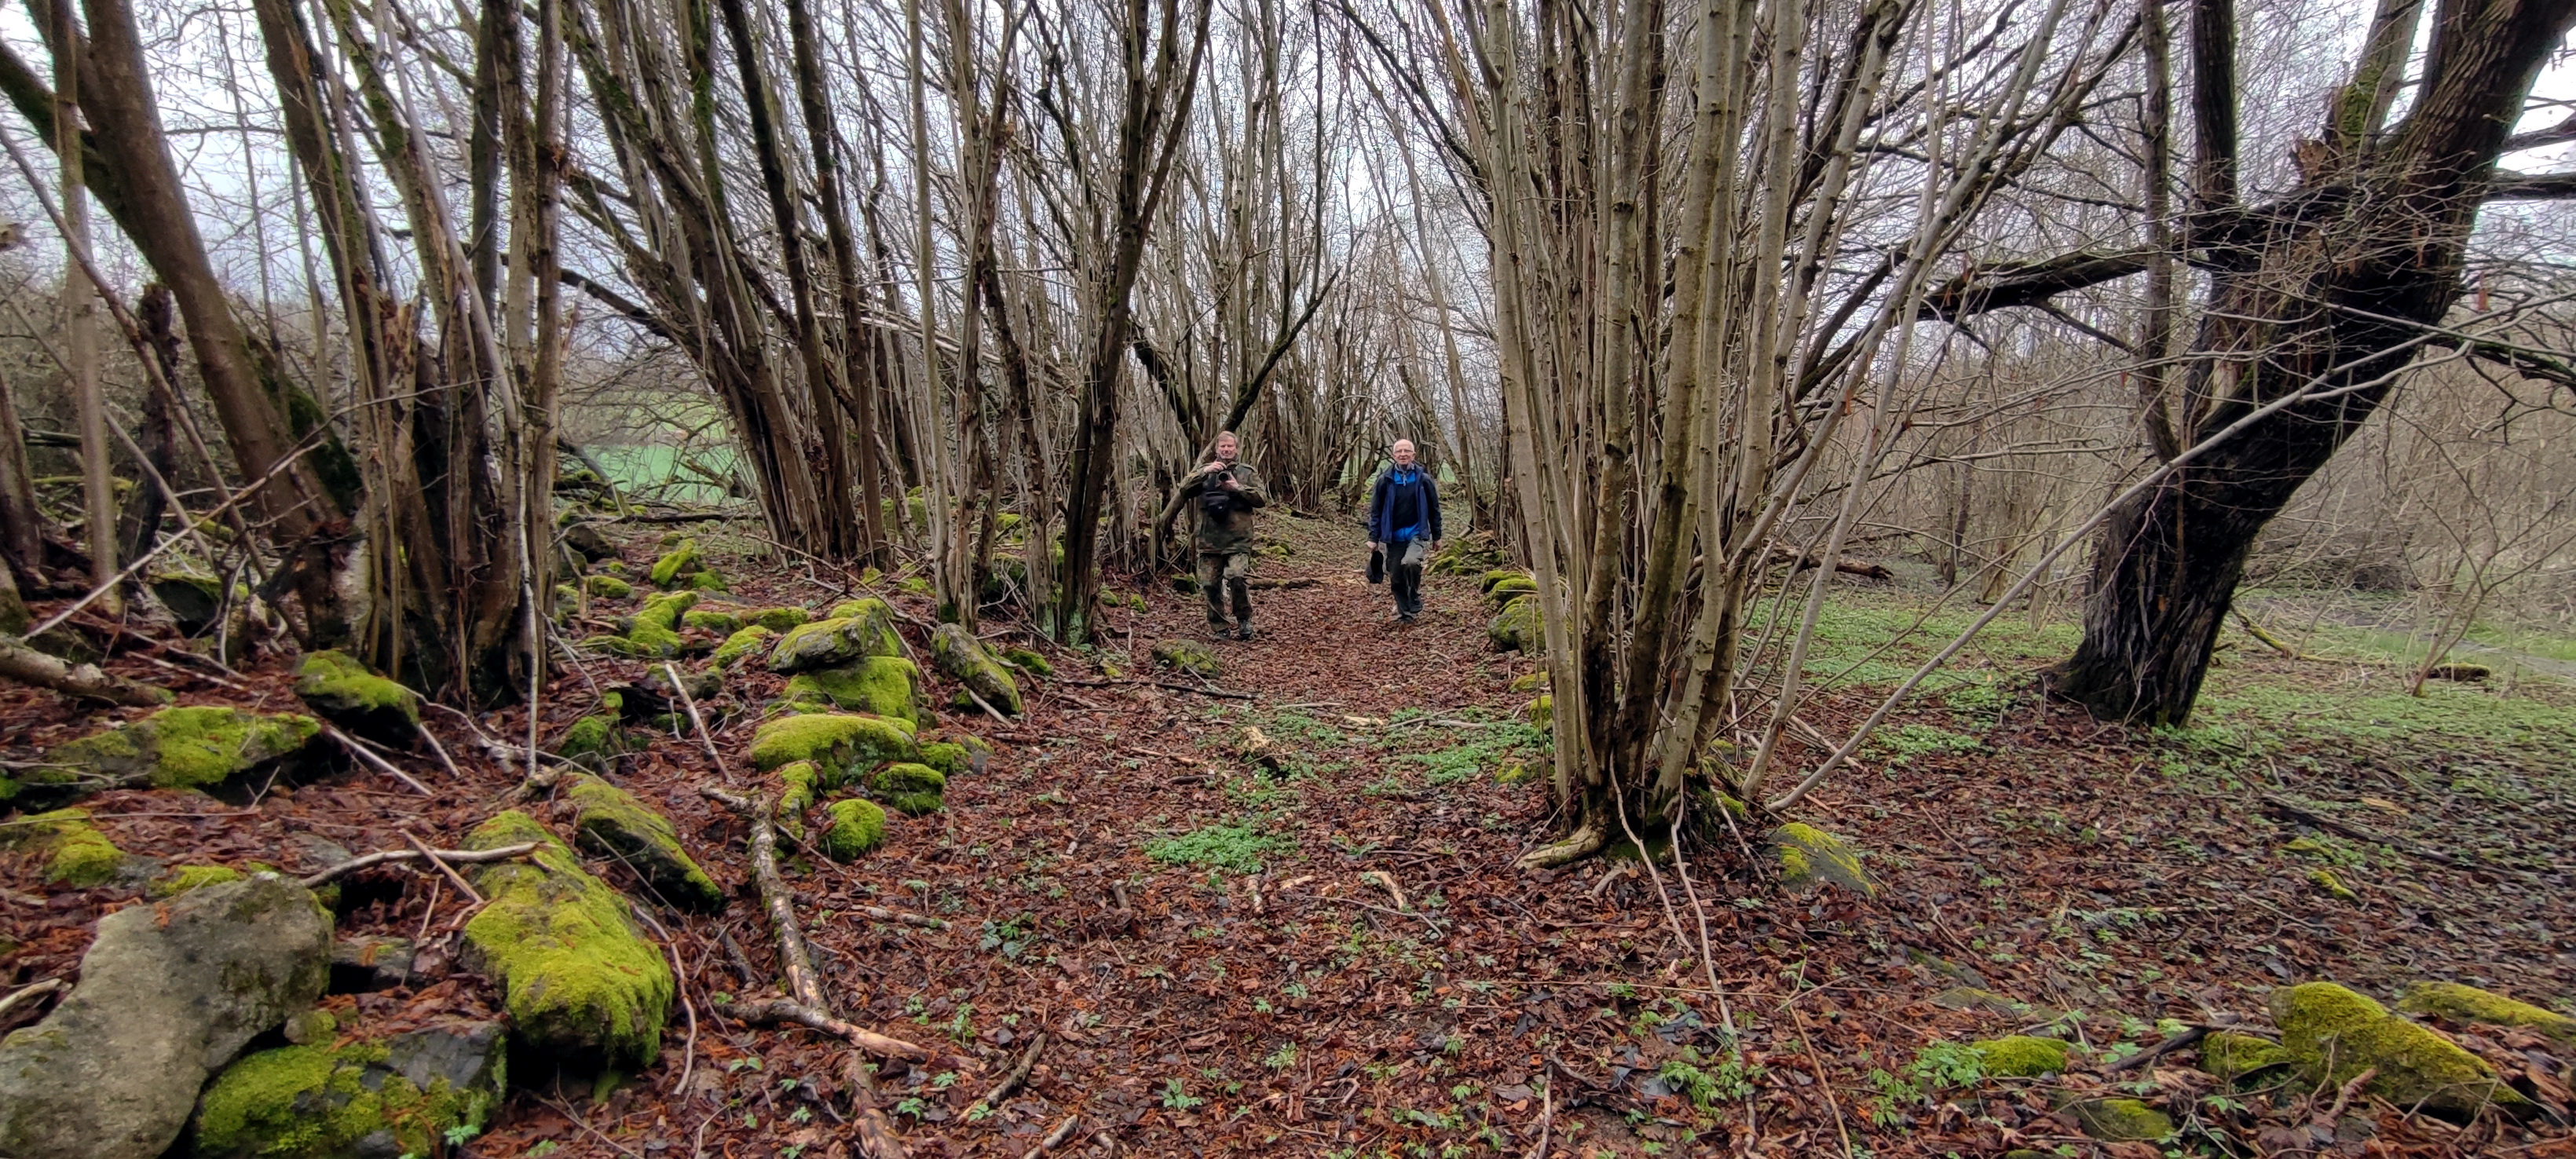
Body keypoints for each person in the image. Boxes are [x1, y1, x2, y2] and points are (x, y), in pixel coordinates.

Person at [1176, 431, 1269, 639]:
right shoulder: (1205, 470)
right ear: (1217, 449)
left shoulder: (1247, 472)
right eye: (1223, 446)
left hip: (1238, 539)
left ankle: (1244, 620)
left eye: (1230, 446)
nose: (1226, 450)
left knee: (1237, 577)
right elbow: (1183, 490)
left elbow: (1262, 499)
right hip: (1208, 540)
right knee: (1209, 584)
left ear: (1237, 448)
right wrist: (1205, 472)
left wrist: (1238, 488)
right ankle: (1219, 627)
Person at [1367, 439, 1443, 623]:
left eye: (1407, 451)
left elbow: (1434, 509)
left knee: (1411, 562)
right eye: (1399, 451)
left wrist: (1437, 536)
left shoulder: (1424, 480)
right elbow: (1376, 511)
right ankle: (1405, 613)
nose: (1403, 454)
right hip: (1392, 536)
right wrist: (1373, 538)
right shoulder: (1384, 480)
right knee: (1396, 576)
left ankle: (1413, 594)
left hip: (1416, 533)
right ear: (1393, 456)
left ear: (1413, 455)